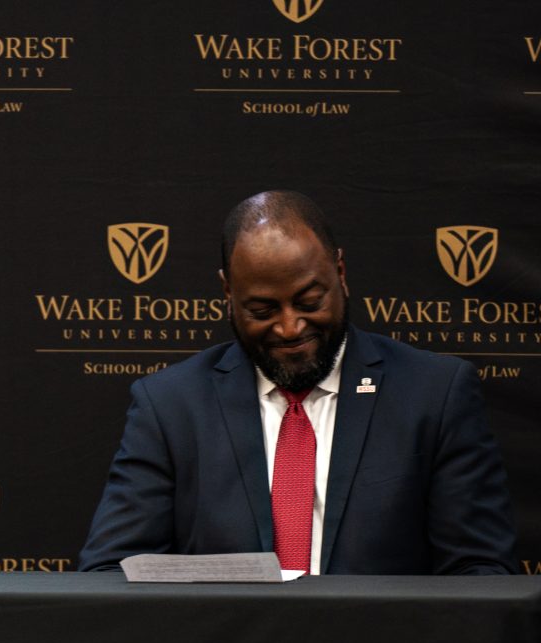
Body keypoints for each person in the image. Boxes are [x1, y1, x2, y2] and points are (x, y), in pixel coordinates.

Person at [79, 190, 517, 575]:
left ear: (340, 273)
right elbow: (112, 572)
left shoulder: (434, 394)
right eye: (263, 311)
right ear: (227, 293)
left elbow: (481, 572)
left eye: (309, 301)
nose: (290, 328)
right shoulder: (170, 406)